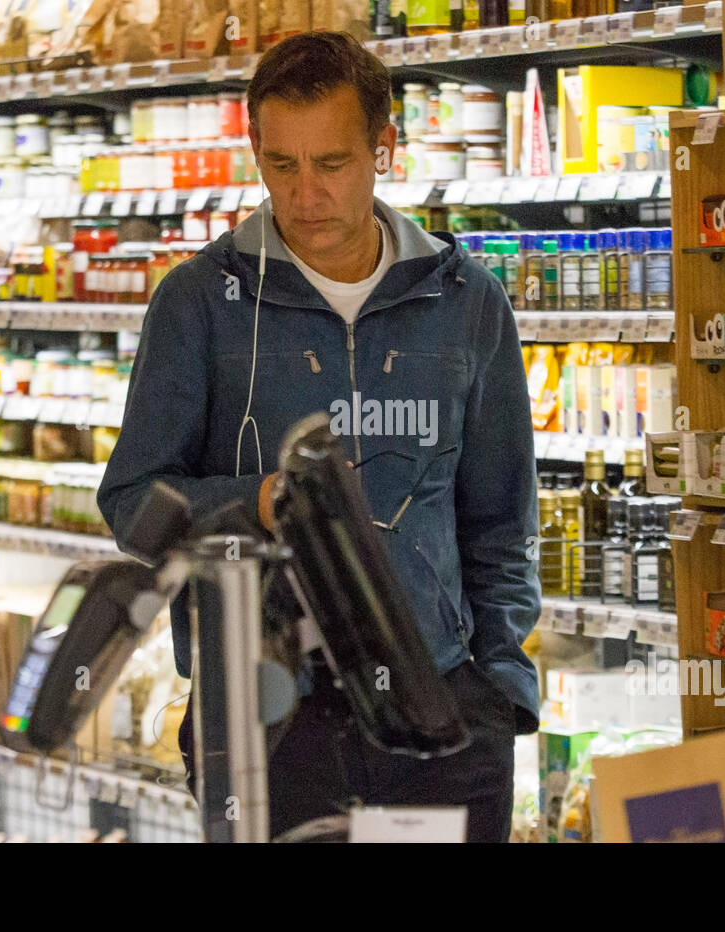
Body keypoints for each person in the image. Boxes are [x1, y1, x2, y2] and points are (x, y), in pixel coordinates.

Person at [96, 31, 540, 843]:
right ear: (256, 151)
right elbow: (131, 503)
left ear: (384, 149)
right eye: (281, 165)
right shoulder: (198, 303)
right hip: (269, 722)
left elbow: (501, 520)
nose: (305, 195)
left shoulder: (467, 301)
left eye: (332, 164)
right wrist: (257, 502)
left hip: (441, 716)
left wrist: (498, 691)